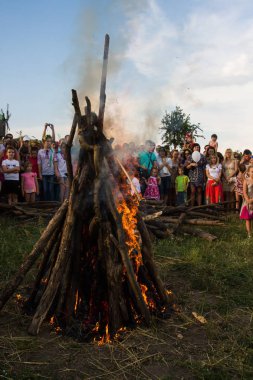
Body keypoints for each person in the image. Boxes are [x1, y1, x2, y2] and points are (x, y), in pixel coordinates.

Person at [37, 135, 55, 201]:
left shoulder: (53, 151)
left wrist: (56, 172)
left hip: (51, 173)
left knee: (51, 190)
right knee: (45, 190)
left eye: (50, 141)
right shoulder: (40, 151)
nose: (49, 143)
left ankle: (52, 204)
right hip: (44, 173)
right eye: (47, 141)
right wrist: (40, 174)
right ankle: (46, 204)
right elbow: (39, 163)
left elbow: (55, 162)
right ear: (44, 142)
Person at [240, 165, 253, 238]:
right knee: (248, 219)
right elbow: (244, 192)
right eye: (252, 172)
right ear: (248, 172)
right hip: (248, 202)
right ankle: (249, 234)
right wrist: (248, 200)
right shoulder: (246, 180)